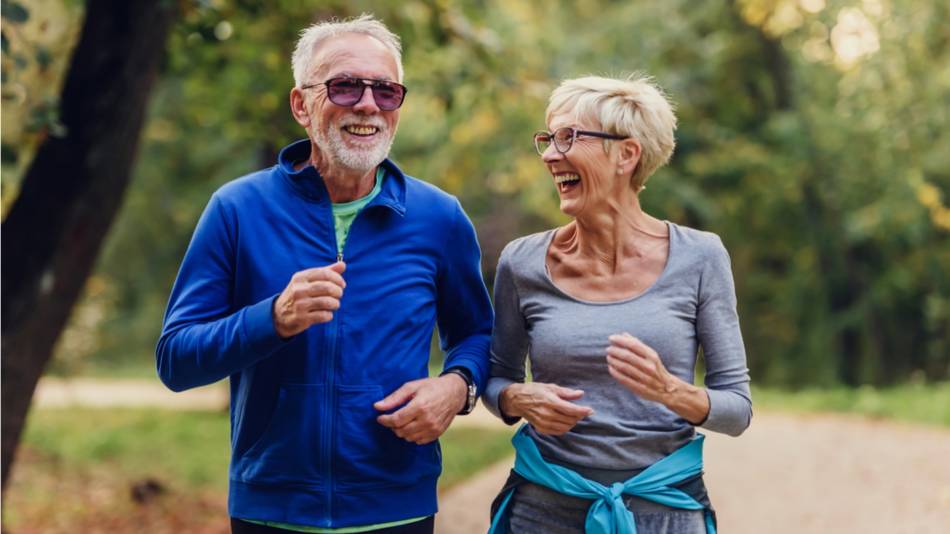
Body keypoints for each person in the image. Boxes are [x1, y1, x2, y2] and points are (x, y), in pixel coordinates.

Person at [156, 14, 492, 534]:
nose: (366, 104)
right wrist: (273, 318)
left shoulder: (439, 217)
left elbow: (476, 333)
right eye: (345, 86)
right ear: (301, 106)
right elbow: (176, 360)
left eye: (385, 91)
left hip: (397, 510)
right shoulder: (237, 209)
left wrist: (457, 386)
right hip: (271, 511)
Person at [483, 74, 752, 534]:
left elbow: (737, 409)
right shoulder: (521, 262)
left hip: (664, 512)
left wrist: (671, 391)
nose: (550, 154)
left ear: (627, 154)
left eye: (569, 137)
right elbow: (495, 378)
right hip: (543, 511)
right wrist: (516, 397)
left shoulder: (701, 256)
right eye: (547, 139)